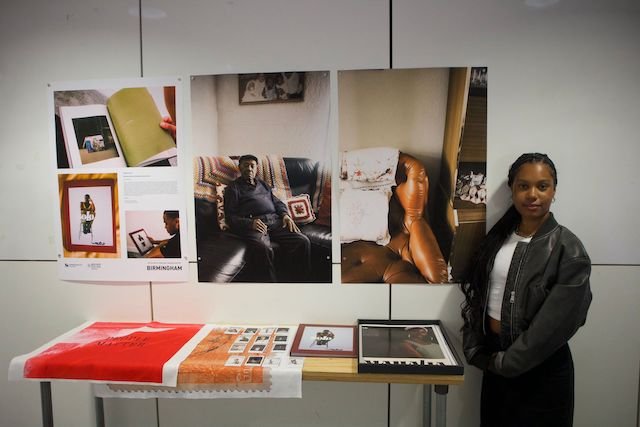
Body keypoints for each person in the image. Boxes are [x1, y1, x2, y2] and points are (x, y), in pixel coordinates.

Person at [460, 153, 592, 426]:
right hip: (495, 362)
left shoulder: (568, 249)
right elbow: (479, 295)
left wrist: (507, 363)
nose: (532, 195)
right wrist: (476, 348)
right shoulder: (498, 238)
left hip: (542, 371)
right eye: (523, 186)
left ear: (554, 190)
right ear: (512, 190)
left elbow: (557, 323)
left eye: (542, 186)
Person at [224, 154, 311, 282]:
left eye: (252, 166)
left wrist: (285, 215)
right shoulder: (233, 188)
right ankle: (270, 287)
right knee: (263, 249)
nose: (249, 169)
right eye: (246, 165)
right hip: (255, 224)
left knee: (302, 241)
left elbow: (277, 202)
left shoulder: (263, 184)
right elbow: (230, 217)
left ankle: (298, 281)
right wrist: (250, 223)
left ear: (256, 168)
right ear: (240, 168)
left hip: (274, 221)